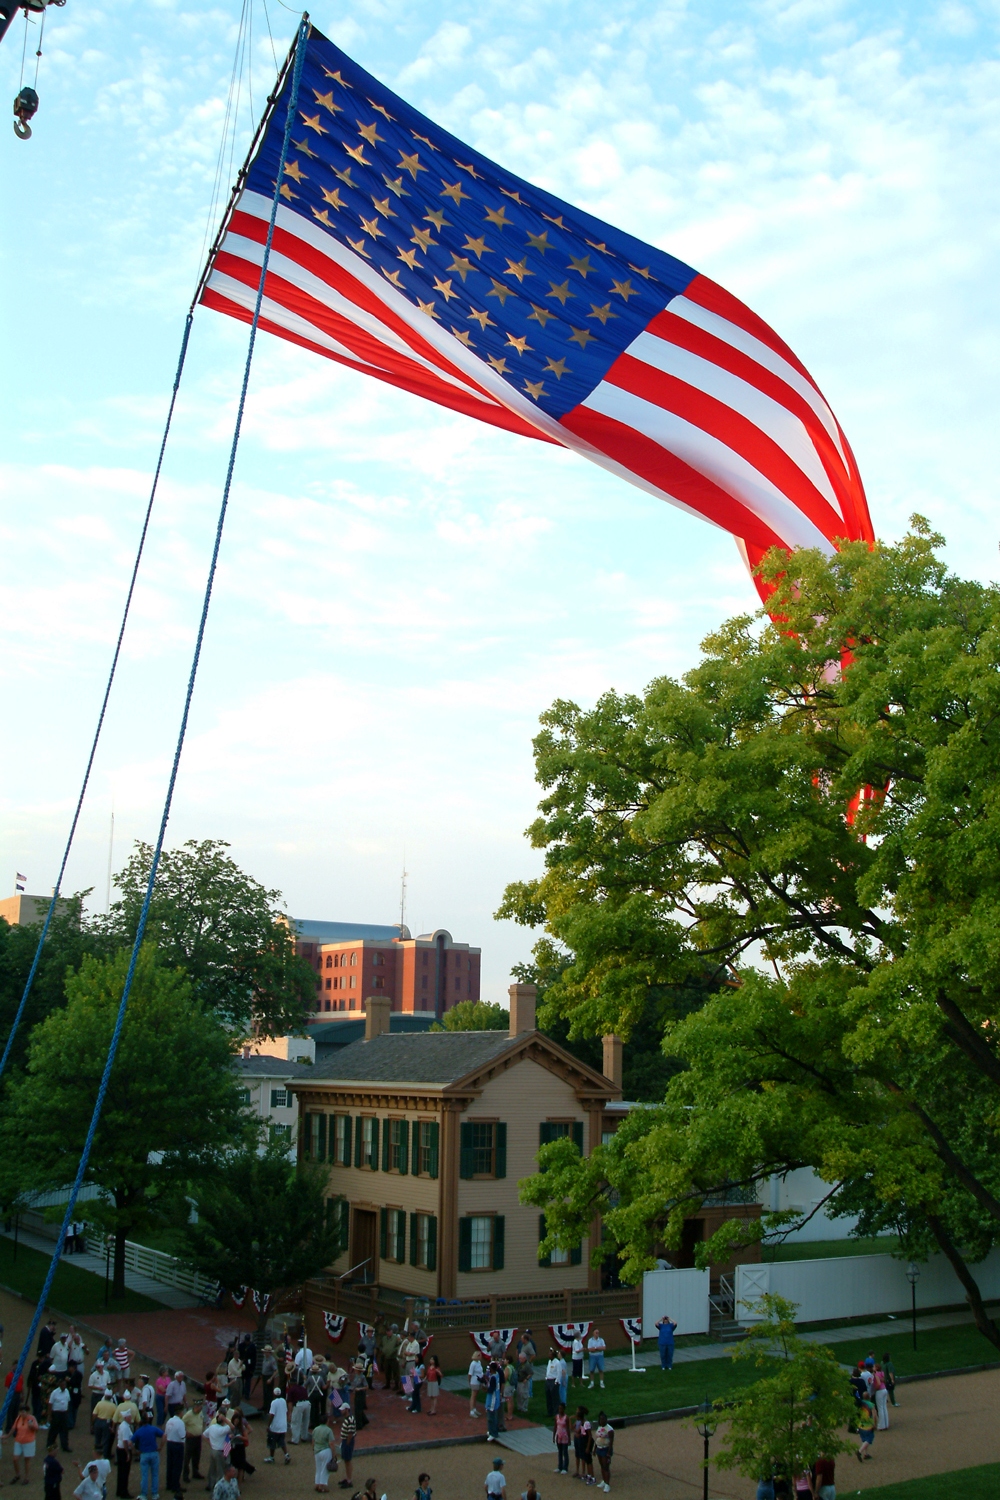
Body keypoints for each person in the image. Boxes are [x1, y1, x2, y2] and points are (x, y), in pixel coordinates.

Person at [132, 1416, 163, 1500]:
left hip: (144, 1454)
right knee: (155, 1474)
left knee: (144, 1475)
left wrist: (135, 1451)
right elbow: (164, 1435)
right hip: (154, 1453)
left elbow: (130, 1442)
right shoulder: (153, 1429)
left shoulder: (139, 1431)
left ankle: (143, 1495)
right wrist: (160, 1447)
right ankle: (154, 1494)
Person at [204, 1410, 230, 1493]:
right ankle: (219, 1488)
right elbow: (232, 1427)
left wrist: (210, 1443)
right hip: (219, 1451)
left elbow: (204, 1435)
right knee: (220, 1470)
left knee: (212, 1469)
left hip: (213, 1450)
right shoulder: (224, 1428)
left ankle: (210, 1485)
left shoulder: (212, 1425)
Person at [12, 1406, 39, 1482]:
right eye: (20, 1412)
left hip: (29, 1442)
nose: (21, 1413)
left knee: (27, 1460)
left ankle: (26, 1477)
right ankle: (17, 1474)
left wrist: (32, 1426)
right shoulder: (18, 1419)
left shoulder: (32, 1419)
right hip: (18, 1441)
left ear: (27, 1412)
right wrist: (7, 1435)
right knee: (15, 1459)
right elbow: (14, 1428)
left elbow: (36, 1429)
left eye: (23, 1412)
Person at [164, 1408, 185, 1499]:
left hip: (169, 1443)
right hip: (178, 1444)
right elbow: (182, 1435)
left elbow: (166, 1433)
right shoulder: (180, 1422)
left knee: (170, 1464)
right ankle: (175, 1485)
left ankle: (169, 1484)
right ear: (180, 1413)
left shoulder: (169, 1420)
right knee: (177, 1466)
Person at [181, 1398, 204, 1483]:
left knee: (197, 1456)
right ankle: (185, 1475)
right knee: (187, 1457)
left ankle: (195, 1472)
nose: (201, 1408)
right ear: (196, 1406)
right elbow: (181, 1423)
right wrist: (185, 1432)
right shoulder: (188, 1415)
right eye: (199, 1407)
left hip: (198, 1438)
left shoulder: (200, 1413)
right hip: (191, 1438)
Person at [266, 1385, 291, 1464]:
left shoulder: (273, 1402)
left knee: (272, 1441)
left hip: (275, 1426)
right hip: (283, 1425)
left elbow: (272, 1415)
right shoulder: (283, 1401)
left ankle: (271, 1457)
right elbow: (286, 1412)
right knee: (281, 1441)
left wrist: (268, 1425)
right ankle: (286, 1455)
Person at [50, 1375, 74, 1453]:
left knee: (64, 1431)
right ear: (59, 1384)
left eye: (65, 1385)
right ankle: (50, 1444)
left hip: (64, 1413)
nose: (64, 1386)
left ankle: (65, 1446)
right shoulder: (54, 1392)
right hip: (56, 1413)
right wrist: (49, 1415)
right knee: (54, 1430)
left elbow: (68, 1401)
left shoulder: (67, 1391)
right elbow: (50, 1404)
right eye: (63, 1384)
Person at [312, 1414, 336, 1493]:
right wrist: (334, 1454)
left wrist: (314, 1449)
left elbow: (313, 1441)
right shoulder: (328, 1430)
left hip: (317, 1451)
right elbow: (331, 1443)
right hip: (325, 1450)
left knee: (318, 1468)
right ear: (327, 1421)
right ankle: (322, 1486)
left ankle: (317, 1484)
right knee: (325, 1469)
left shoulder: (315, 1429)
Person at [93, 1390, 118, 1461]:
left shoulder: (99, 1403)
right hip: (107, 1423)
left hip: (98, 1421)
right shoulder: (113, 1406)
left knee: (97, 1440)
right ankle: (104, 1456)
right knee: (105, 1440)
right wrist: (113, 1427)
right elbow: (114, 1418)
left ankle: (96, 1455)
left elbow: (94, 1414)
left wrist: (93, 1423)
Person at [114, 1415, 133, 1500]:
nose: (131, 1419)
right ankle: (124, 1492)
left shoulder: (122, 1425)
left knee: (121, 1471)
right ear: (126, 1418)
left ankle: (119, 1490)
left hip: (119, 1449)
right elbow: (125, 1441)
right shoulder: (125, 1427)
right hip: (124, 1451)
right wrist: (128, 1453)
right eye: (129, 1417)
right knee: (125, 1472)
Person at [337, 1407, 356, 1490]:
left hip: (347, 1441)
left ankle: (349, 1480)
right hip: (345, 1440)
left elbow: (350, 1433)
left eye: (342, 1409)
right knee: (346, 1460)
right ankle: (348, 1478)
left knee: (347, 1460)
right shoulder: (347, 1419)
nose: (341, 1411)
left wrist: (347, 1444)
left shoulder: (350, 1420)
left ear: (347, 1409)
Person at [485, 1363, 503, 1441]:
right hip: (496, 1397)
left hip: (492, 1399)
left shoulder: (493, 1378)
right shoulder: (497, 1374)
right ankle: (492, 1431)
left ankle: (493, 1433)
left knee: (491, 1417)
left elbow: (491, 1389)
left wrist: (484, 1389)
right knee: (493, 1416)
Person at [856, 1393, 876, 1461]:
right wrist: (874, 1424)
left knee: (864, 1440)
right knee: (869, 1439)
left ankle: (866, 1453)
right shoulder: (871, 1405)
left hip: (861, 1424)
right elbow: (874, 1415)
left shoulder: (860, 1403)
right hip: (868, 1425)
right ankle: (859, 1451)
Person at [553, 1403, 570, 1475]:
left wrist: (569, 1438)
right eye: (559, 1408)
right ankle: (560, 1466)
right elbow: (555, 1427)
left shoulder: (566, 1418)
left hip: (565, 1436)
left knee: (565, 1452)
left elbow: (568, 1428)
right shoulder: (556, 1417)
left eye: (561, 1408)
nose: (560, 1410)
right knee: (560, 1452)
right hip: (559, 1436)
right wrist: (554, 1436)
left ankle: (565, 1467)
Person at [544, 1350, 562, 1417]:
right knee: (548, 1397)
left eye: (550, 1354)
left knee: (555, 1398)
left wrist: (556, 1381)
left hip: (554, 1381)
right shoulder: (549, 1361)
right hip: (548, 1380)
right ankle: (550, 1412)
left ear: (553, 1355)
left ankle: (556, 1412)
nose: (549, 1355)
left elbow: (559, 1372)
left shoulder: (557, 1363)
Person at [872, 1363, 889, 1430]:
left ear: (876, 1368)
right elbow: (883, 1381)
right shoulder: (882, 1373)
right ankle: (886, 1424)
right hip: (884, 1389)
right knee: (884, 1407)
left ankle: (881, 1425)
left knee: (880, 1408)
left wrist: (875, 1389)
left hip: (880, 1391)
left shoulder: (876, 1374)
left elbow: (878, 1383)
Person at [468, 1353, 485, 1417]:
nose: (480, 1357)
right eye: (479, 1355)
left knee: (476, 1395)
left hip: (479, 1381)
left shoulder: (479, 1362)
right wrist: (469, 1381)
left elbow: (481, 1371)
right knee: (473, 1395)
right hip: (474, 1381)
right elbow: (470, 1374)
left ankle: (474, 1409)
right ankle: (471, 1411)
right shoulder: (473, 1363)